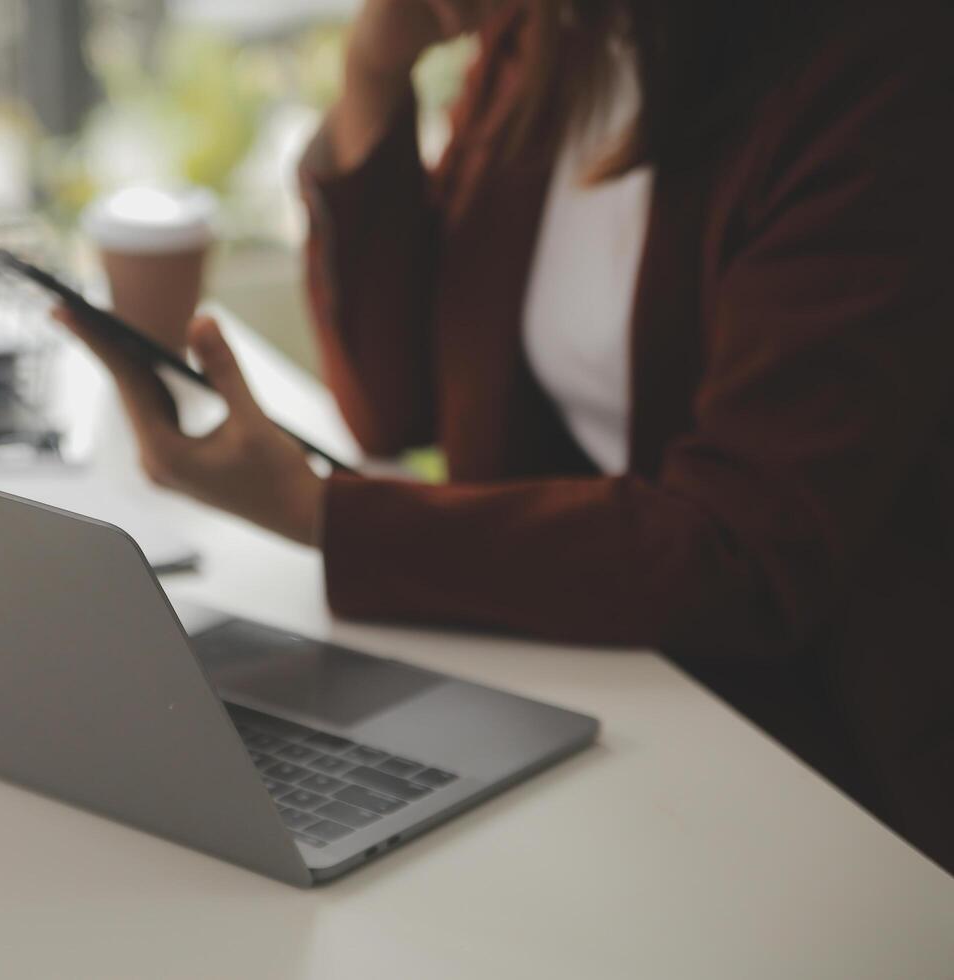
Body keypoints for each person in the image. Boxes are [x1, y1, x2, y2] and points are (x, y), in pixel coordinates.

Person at [56, 0, 954, 873]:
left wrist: (325, 518)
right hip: (595, 685)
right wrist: (375, 70)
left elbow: (747, 554)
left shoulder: (878, 64)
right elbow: (396, 404)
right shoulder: (556, 36)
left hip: (820, 768)